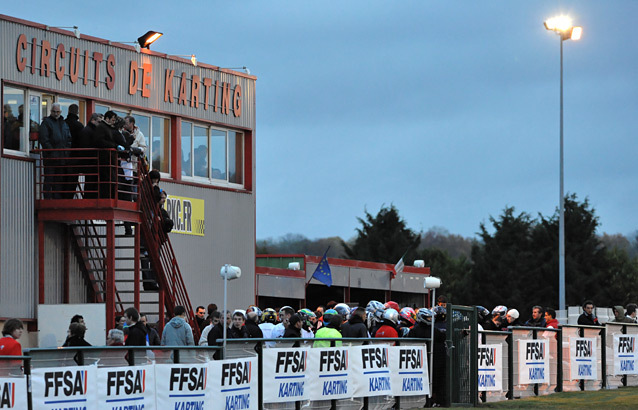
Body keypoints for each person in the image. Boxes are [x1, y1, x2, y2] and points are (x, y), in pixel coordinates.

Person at [39, 102, 72, 199]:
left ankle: (56, 198)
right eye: (54, 111)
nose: (56, 113)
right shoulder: (47, 123)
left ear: (61, 112)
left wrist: (66, 151)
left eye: (57, 112)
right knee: (49, 178)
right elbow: (44, 139)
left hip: (61, 157)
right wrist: (52, 151)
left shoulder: (64, 124)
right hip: (51, 157)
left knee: (58, 180)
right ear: (51, 111)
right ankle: (48, 198)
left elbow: (69, 139)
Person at [65, 104, 84, 199]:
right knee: (72, 180)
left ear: (68, 111)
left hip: (63, 156)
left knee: (63, 179)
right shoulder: (79, 126)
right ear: (77, 113)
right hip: (75, 157)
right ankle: (69, 197)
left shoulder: (64, 123)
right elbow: (82, 142)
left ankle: (62, 197)